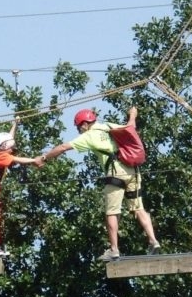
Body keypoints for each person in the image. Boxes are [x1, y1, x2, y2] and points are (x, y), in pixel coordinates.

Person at [35, 106, 160, 261]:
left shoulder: (89, 136)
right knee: (139, 208)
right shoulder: (108, 126)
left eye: (79, 127)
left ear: (85, 124)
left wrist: (44, 158)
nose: (79, 130)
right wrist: (133, 114)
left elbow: (63, 147)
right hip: (133, 171)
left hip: (115, 173)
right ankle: (153, 240)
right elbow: (131, 127)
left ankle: (114, 249)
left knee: (112, 212)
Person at [0, 117, 39, 256]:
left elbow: (9, 137)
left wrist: (14, 124)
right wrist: (35, 160)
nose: (13, 148)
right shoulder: (1, 156)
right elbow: (18, 160)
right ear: (3, 146)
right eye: (10, 146)